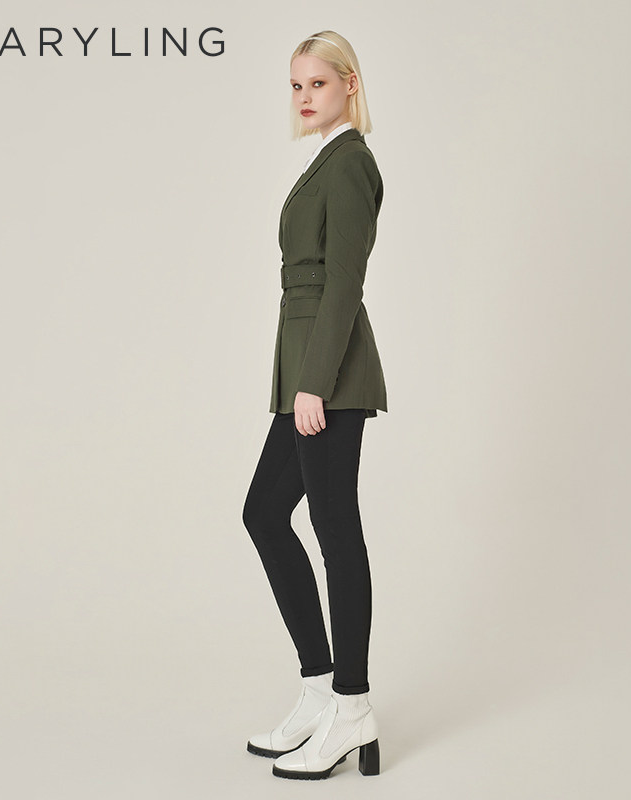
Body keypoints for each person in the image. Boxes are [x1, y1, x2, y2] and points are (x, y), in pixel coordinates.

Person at [242, 30, 387, 781]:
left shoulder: (351, 163)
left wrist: (314, 382)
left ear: (349, 85)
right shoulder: (323, 160)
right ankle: (320, 689)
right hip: (303, 365)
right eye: (296, 86)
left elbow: (344, 283)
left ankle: (353, 706)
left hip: (327, 373)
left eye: (318, 84)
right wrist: (298, 376)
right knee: (265, 513)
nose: (304, 97)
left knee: (335, 530)